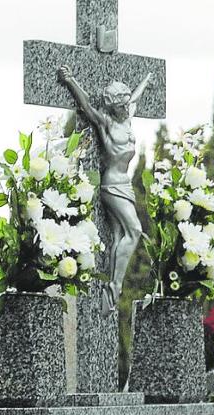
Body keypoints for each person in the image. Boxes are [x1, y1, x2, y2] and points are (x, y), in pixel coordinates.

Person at [58, 65, 151, 304]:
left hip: (126, 183)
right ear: (112, 105)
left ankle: (108, 293)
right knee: (135, 230)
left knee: (118, 236)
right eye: (121, 104)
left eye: (126, 102)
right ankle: (115, 286)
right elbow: (87, 106)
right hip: (111, 185)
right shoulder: (106, 122)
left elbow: (138, 96)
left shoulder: (127, 118)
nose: (125, 107)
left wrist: (147, 78)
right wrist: (70, 81)